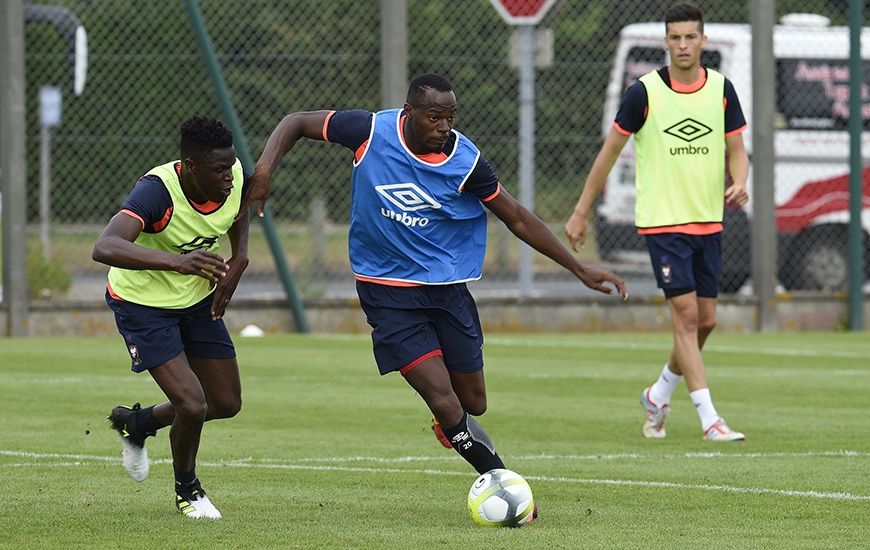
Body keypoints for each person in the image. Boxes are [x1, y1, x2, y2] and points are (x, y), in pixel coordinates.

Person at [240, 73, 627, 487]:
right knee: (444, 401)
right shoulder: (369, 130)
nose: (444, 127)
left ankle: (452, 422)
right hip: (386, 292)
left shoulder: (465, 161)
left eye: (450, 117)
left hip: (446, 291)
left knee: (472, 402)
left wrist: (578, 267)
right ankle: (503, 484)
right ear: (409, 114)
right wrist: (264, 169)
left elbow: (515, 216)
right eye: (434, 117)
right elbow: (296, 121)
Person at [565, 3, 750, 442]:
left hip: (708, 220)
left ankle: (659, 393)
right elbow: (609, 152)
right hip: (662, 222)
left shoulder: (722, 89)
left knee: (706, 322)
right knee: (685, 317)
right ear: (665, 42)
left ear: (703, 41)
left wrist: (740, 181)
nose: (683, 45)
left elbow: (737, 149)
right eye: (675, 37)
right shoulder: (643, 93)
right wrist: (580, 209)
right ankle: (710, 419)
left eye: (691, 37)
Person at [93, 115, 250, 518]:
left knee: (226, 402)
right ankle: (189, 491)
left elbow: (239, 208)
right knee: (192, 405)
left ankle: (140, 423)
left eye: (231, 165)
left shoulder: (231, 176)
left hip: (197, 302)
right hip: (143, 306)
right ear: (190, 167)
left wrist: (241, 254)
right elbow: (105, 245)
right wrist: (176, 262)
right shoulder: (157, 191)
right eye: (219, 170)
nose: (229, 176)